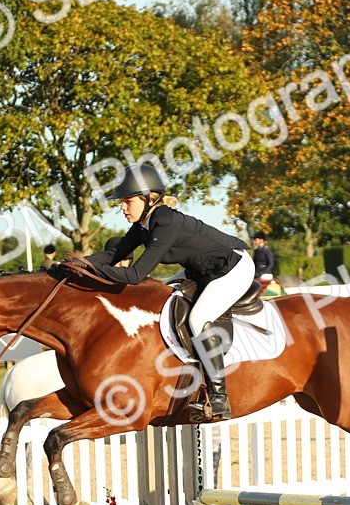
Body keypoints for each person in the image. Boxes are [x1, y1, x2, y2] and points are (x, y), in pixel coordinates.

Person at [84, 163, 252, 420]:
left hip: (232, 268)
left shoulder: (166, 223)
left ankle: (219, 399)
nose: (122, 207)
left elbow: (135, 275)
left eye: (127, 201)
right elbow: (113, 255)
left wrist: (92, 273)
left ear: (147, 198)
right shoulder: (144, 225)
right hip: (200, 271)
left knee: (198, 319)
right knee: (160, 298)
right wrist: (78, 263)